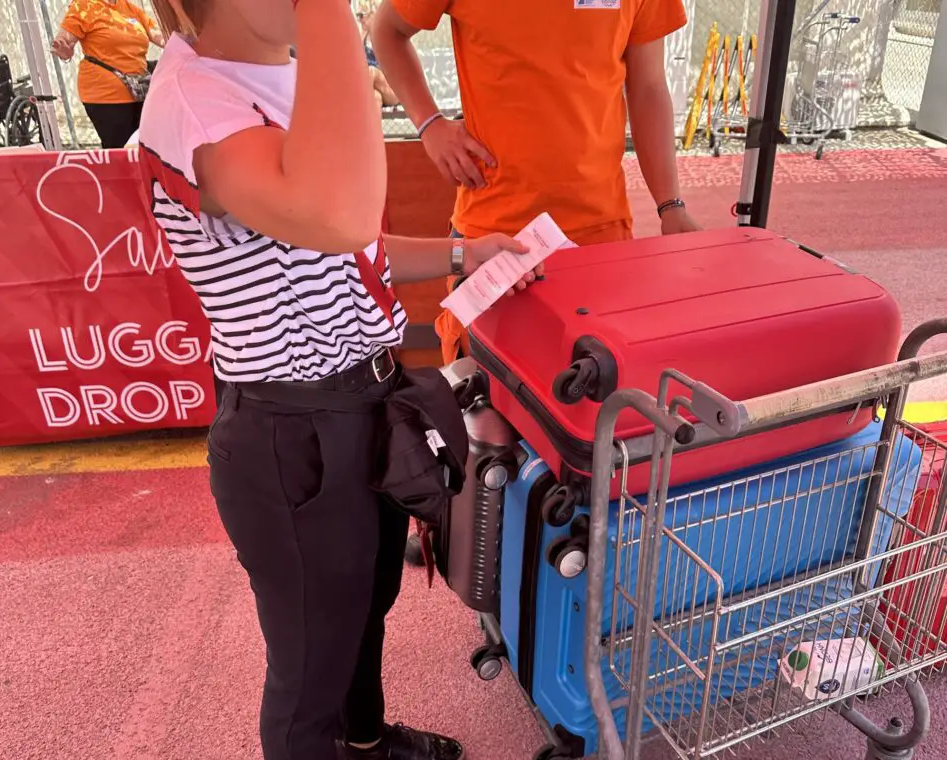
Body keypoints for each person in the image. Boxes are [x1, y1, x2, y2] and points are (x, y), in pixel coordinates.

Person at [139, 1, 540, 758]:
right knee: (309, 667)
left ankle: (365, 742)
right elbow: (337, 214)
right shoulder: (200, 103)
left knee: (364, 606)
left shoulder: (276, 71)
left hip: (361, 406)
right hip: (294, 432)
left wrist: (461, 255)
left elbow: (344, 242)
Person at [372, 0, 702, 365]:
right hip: (493, 239)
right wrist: (429, 124)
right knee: (491, 409)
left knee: (589, 403)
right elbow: (387, 30)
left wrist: (670, 205)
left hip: (600, 237)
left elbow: (649, 86)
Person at [51, 0, 163, 148]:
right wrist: (63, 49)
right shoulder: (84, 6)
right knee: (120, 150)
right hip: (106, 93)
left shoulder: (130, 8)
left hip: (139, 89)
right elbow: (64, 40)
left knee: (145, 148)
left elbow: (159, 35)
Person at [356, 6, 399, 112]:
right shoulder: (362, 39)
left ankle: (354, 106)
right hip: (371, 89)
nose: (360, 20)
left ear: (374, 15)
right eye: (358, 16)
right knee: (376, 98)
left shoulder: (386, 38)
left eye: (362, 15)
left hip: (392, 91)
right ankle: (372, 129)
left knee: (371, 71)